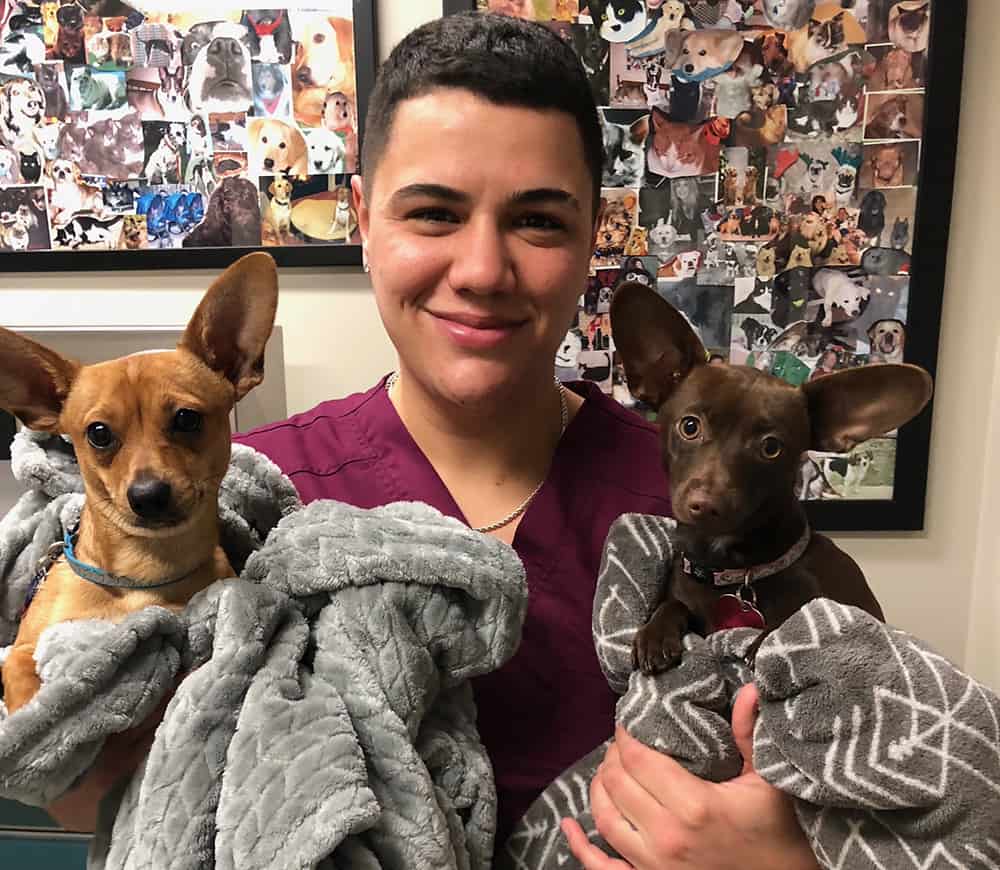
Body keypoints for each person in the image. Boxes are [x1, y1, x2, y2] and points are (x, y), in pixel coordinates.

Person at [48, 13, 820, 868]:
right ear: (363, 220)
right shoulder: (248, 500)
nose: (484, 269)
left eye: (538, 221)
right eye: (434, 213)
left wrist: (790, 856)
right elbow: (96, 791)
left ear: (595, 233)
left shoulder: (707, 505)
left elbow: (869, 738)